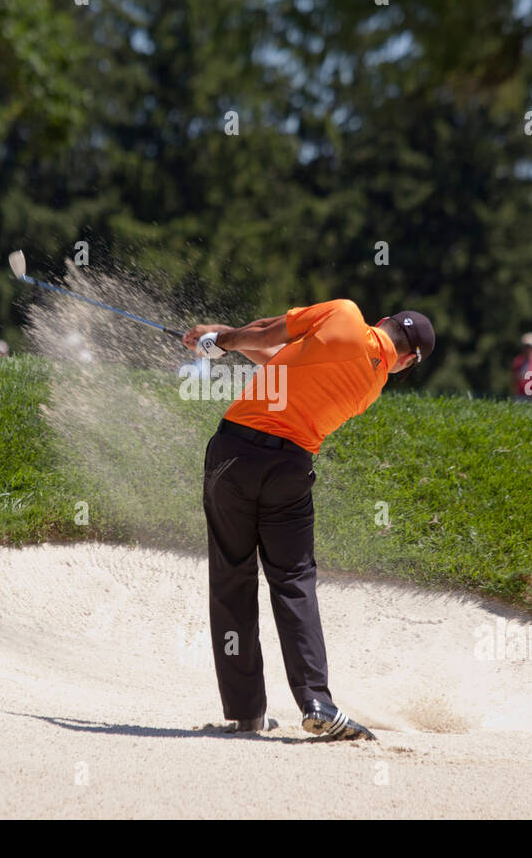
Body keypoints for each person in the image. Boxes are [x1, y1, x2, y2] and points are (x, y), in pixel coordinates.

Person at [184, 300, 435, 740]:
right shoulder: (370, 387)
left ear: (382, 322)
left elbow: (266, 336)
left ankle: (247, 713)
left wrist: (220, 341)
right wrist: (223, 343)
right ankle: (316, 700)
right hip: (290, 472)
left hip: (234, 456)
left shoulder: (343, 314)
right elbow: (283, 360)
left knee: (232, 577)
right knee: (294, 579)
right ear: (408, 360)